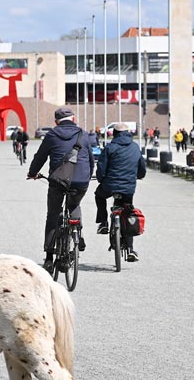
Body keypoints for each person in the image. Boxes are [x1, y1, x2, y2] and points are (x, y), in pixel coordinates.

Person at [27, 106, 94, 273]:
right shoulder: (83, 135)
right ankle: (77, 231)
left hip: (58, 180)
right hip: (80, 181)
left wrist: (33, 173)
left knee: (53, 214)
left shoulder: (52, 135)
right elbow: (91, 160)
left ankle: (49, 259)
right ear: (73, 119)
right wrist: (87, 176)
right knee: (74, 204)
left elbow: (40, 156)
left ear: (56, 121)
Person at [94, 122, 146, 262]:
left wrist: (100, 179)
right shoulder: (135, 147)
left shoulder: (110, 147)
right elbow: (141, 168)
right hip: (128, 188)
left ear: (114, 134)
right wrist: (139, 176)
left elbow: (101, 167)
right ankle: (130, 249)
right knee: (127, 212)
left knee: (99, 196)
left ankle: (103, 222)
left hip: (109, 186)